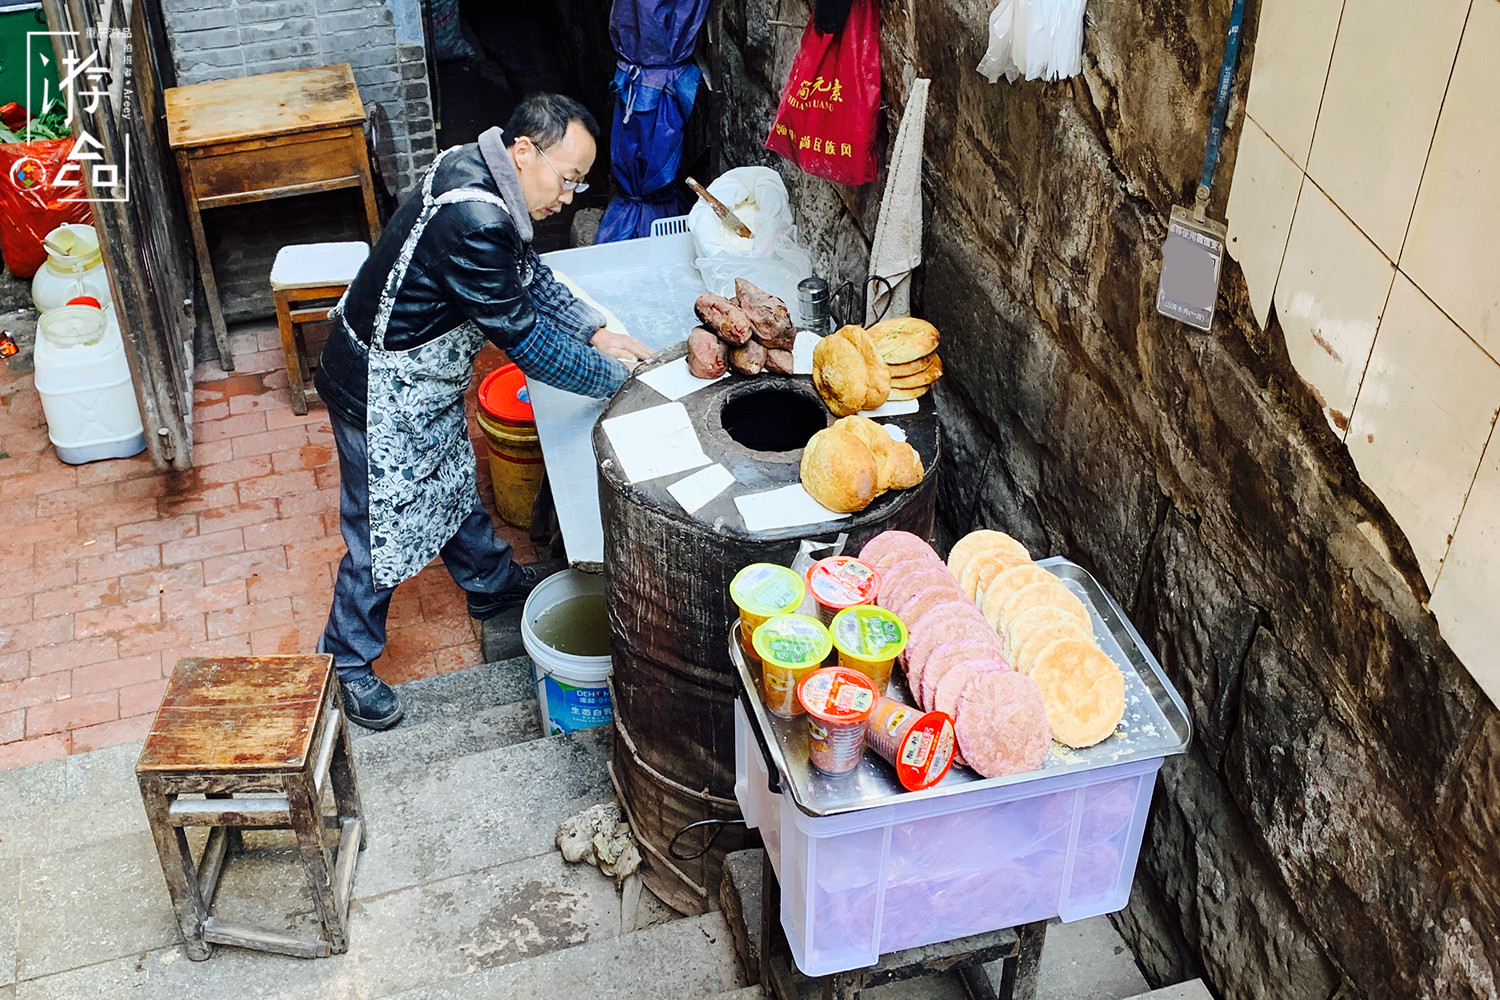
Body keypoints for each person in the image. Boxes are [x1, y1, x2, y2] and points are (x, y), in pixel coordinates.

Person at [313, 93, 652, 730]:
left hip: (420, 379)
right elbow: (524, 338)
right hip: (375, 387)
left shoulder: (485, 170)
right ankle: (346, 664)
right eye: (569, 178)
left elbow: (528, 275)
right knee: (379, 527)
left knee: (449, 480)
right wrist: (614, 380)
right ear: (525, 152)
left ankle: (491, 585)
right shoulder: (473, 218)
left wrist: (594, 329)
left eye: (581, 181)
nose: (571, 197)